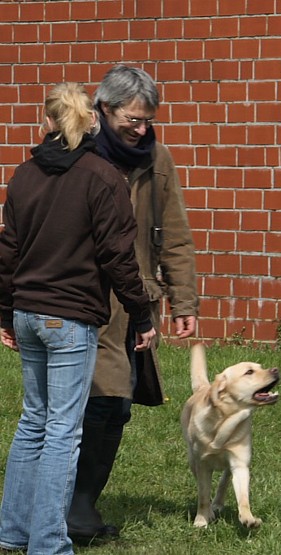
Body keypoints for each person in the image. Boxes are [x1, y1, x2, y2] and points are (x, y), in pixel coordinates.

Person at [0, 83, 155, 555]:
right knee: (63, 430)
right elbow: (118, 256)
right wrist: (141, 314)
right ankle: (48, 542)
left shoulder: (23, 176)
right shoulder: (102, 176)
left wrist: (6, 312)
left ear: (46, 121)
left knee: (34, 422)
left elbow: (8, 251)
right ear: (92, 120)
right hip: (69, 319)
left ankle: (11, 533)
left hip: (28, 313)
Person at [66, 65, 199, 541]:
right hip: (80, 301)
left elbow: (176, 237)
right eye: (132, 119)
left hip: (135, 301)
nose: (141, 129)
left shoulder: (156, 157)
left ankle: (78, 506)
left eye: (148, 120)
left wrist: (184, 302)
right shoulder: (73, 152)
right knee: (93, 405)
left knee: (115, 406)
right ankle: (73, 510)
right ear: (103, 109)